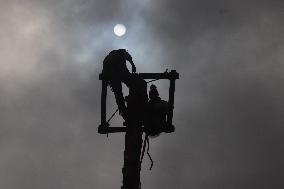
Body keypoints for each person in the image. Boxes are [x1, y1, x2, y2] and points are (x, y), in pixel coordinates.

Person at [102, 49, 138, 120]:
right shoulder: (110, 59)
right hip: (114, 74)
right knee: (120, 93)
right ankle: (125, 112)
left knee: (122, 92)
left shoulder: (119, 54)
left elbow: (128, 57)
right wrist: (132, 65)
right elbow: (105, 73)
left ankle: (127, 109)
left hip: (117, 73)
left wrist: (132, 65)